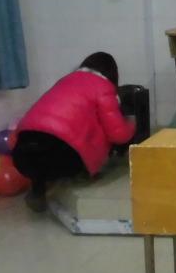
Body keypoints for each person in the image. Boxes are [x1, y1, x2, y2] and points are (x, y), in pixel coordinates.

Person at [11, 52, 135, 213]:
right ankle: (82, 173)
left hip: (21, 154)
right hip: (64, 157)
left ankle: (38, 189)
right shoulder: (103, 87)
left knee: (43, 146)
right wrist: (131, 125)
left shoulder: (65, 80)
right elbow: (117, 135)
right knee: (64, 144)